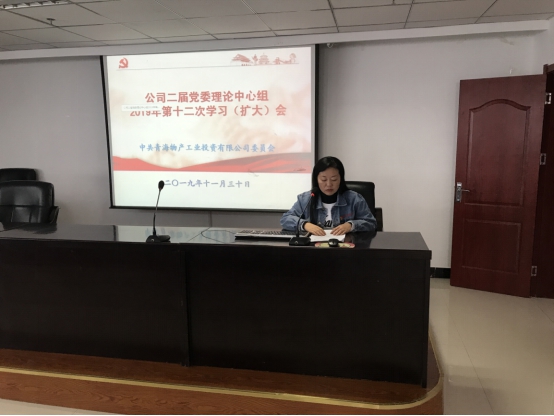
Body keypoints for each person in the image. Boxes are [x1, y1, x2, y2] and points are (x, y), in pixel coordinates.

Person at [280, 156, 377, 236]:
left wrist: (351, 225)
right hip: (313, 249)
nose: (329, 184)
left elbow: (371, 223)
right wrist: (305, 225)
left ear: (341, 179)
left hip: (345, 248)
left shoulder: (354, 199)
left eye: (334, 179)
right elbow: (285, 219)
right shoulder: (306, 199)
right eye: (324, 179)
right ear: (316, 179)